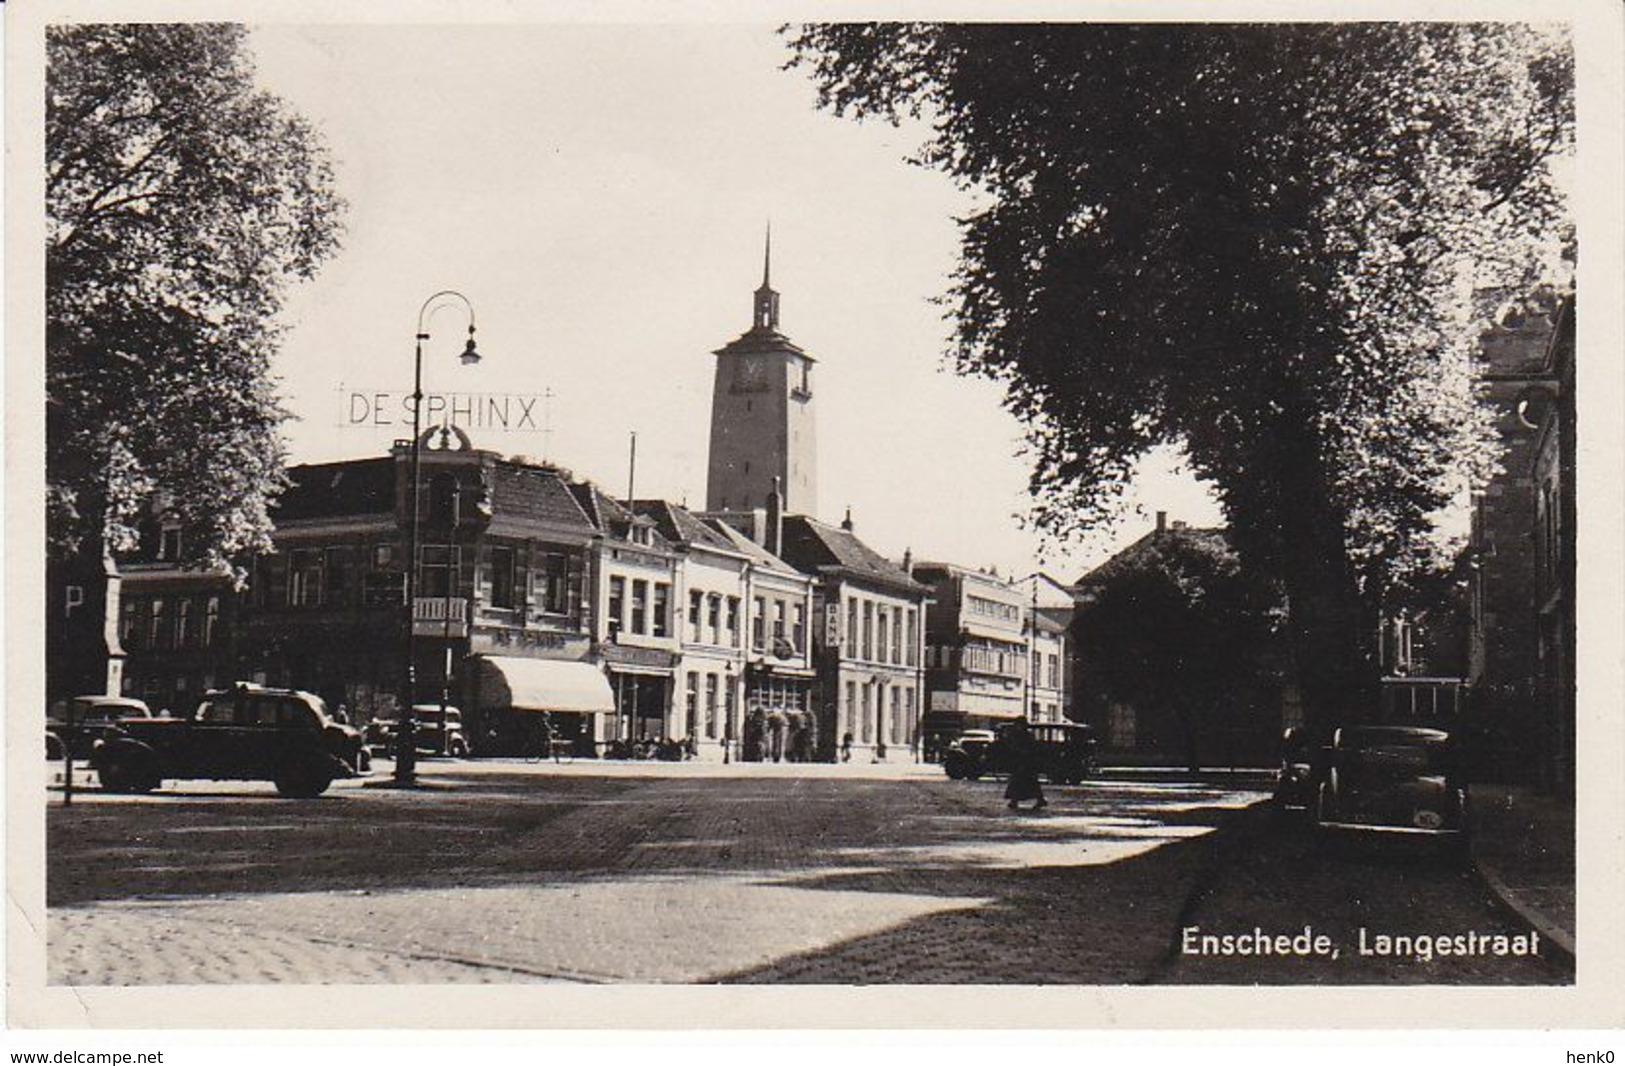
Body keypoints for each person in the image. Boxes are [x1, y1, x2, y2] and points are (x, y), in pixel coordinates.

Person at [1002, 718, 1047, 812]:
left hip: (1026, 762)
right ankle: (1015, 800)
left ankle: (1017, 800)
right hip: (1022, 762)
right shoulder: (1020, 735)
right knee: (1021, 782)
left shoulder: (1026, 736)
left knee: (1026, 782)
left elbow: (1028, 749)